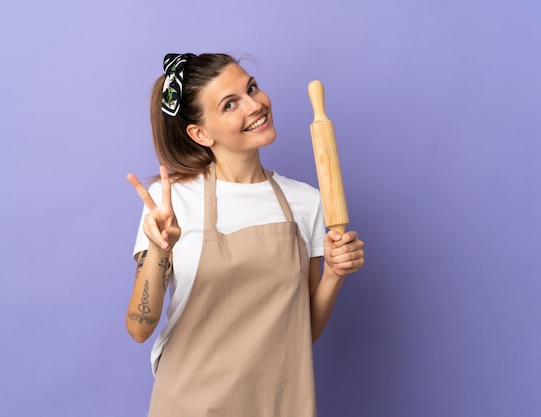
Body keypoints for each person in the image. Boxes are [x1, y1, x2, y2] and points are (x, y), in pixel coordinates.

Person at [125, 53, 365, 417]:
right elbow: (139, 328)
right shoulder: (171, 202)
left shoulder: (306, 202)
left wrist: (334, 274)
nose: (256, 105)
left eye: (251, 88)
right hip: (190, 403)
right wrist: (160, 250)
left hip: (280, 402)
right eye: (230, 103)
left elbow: (301, 332)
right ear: (200, 133)